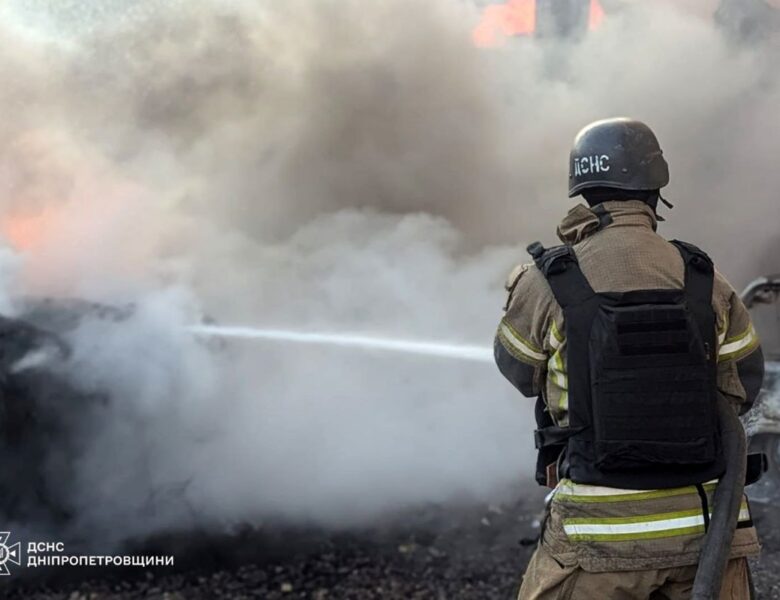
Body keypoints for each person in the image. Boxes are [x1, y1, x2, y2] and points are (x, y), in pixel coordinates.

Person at [494, 117, 765, 599]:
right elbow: (745, 379)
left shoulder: (549, 280)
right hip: (708, 536)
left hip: (596, 542)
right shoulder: (704, 277)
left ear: (585, 192)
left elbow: (517, 369)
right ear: (656, 190)